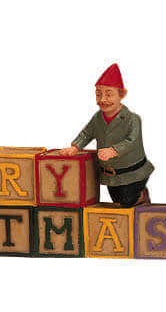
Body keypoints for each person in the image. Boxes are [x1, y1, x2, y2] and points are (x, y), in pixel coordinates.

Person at [59, 63, 154, 207]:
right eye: (98, 95)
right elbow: (87, 133)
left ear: (122, 95)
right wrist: (75, 147)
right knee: (117, 201)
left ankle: (141, 195)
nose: (103, 99)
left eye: (109, 94)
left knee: (127, 201)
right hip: (110, 173)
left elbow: (132, 141)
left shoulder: (132, 119)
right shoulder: (98, 118)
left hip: (133, 172)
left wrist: (114, 150)